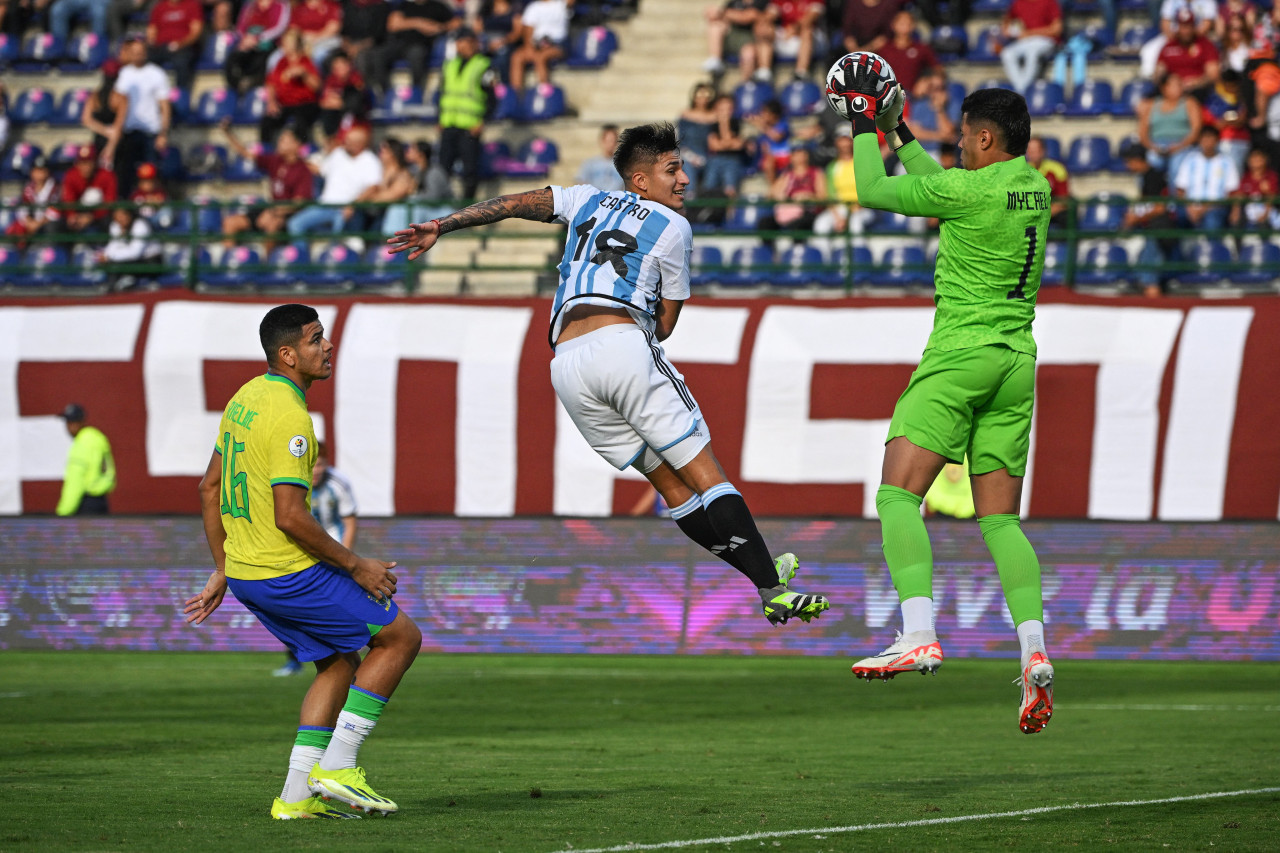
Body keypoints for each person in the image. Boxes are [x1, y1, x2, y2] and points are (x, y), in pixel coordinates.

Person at [388, 122, 831, 628]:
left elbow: (511, 202)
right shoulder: (674, 227)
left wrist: (441, 225)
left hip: (567, 365)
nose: (684, 179)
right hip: (622, 344)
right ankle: (772, 587)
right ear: (641, 181)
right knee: (707, 476)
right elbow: (663, 326)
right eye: (673, 169)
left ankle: (765, 577)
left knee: (671, 488)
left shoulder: (584, 199)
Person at [834, 57, 1054, 733]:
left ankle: (919, 631)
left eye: (963, 136)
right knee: (1000, 521)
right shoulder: (1034, 187)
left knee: (897, 493)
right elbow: (947, 189)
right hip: (1016, 364)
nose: (957, 144)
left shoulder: (972, 190)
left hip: (960, 355)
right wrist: (903, 133)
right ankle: (1034, 651)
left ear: (986, 140)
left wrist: (864, 122)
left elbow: (869, 189)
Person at [184, 303, 422, 821]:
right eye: (316, 339)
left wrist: (224, 566)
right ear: (288, 353)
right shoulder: (292, 416)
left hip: (249, 574)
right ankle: (338, 765)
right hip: (286, 571)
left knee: (337, 662)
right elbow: (291, 516)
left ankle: (294, 798)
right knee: (401, 638)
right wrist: (357, 565)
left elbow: (208, 488)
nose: (328, 345)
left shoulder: (245, 397)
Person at [276, 440, 361, 676]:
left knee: (340, 607)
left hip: (332, 553)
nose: (317, 470)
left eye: (321, 464)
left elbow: (349, 521)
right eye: (312, 465)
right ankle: (295, 660)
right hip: (301, 554)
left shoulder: (339, 483)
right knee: (292, 610)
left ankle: (347, 659)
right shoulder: (290, 482)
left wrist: (346, 558)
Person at [221, 122, 315, 249]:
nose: (279, 142)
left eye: (284, 140)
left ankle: (267, 265)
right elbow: (246, 153)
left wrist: (274, 212)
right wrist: (228, 133)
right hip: (271, 209)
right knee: (230, 222)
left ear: (296, 145)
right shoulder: (275, 160)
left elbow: (298, 203)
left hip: (289, 215)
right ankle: (230, 264)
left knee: (271, 226)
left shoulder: (303, 170)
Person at [287, 125, 383, 243]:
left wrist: (353, 205)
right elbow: (321, 170)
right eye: (346, 140)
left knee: (337, 235)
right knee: (295, 224)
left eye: (350, 141)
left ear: (361, 144)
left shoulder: (371, 161)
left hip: (347, 209)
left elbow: (373, 187)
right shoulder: (338, 153)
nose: (346, 143)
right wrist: (299, 160)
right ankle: (300, 258)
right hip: (324, 206)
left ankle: (333, 258)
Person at [437, 27, 495, 201]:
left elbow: (492, 98)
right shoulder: (450, 65)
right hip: (448, 123)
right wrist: (439, 118)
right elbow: (442, 94)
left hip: (470, 126)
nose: (461, 46)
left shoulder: (484, 65)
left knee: (470, 171)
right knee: (442, 168)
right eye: (459, 42)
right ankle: (442, 208)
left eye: (465, 41)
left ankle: (467, 209)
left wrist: (483, 121)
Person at [1119, 140, 1181, 297]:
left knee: (1150, 261)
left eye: (1129, 161)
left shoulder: (1154, 177)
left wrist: (1137, 219)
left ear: (1138, 160)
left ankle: (1152, 292)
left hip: (1162, 227)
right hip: (1153, 226)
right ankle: (1146, 286)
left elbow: (1161, 207)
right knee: (1144, 257)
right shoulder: (1145, 177)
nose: (1127, 166)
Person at [115, 37, 172, 199]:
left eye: (140, 52)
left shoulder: (156, 74)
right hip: (128, 131)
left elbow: (165, 106)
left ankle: (154, 210)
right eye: (133, 52)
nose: (137, 55)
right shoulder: (123, 73)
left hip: (150, 132)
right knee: (126, 173)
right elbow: (116, 102)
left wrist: (163, 133)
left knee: (152, 173)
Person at [1174, 124, 1240, 230]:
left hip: (1216, 207)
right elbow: (1181, 189)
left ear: (1217, 141)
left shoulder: (1227, 162)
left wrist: (1235, 211)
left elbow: (1233, 191)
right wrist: (1190, 208)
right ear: (1199, 141)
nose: (1208, 143)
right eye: (1204, 139)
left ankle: (1211, 246)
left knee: (1212, 222)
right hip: (1191, 206)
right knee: (1177, 219)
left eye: (1211, 138)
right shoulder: (1190, 160)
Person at [261, 29, 321, 146]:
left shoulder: (306, 61)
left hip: (305, 103)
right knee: (268, 120)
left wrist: (304, 74)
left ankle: (302, 149)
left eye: (287, 42)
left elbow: (317, 86)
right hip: (285, 104)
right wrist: (271, 101)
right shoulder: (281, 63)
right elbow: (271, 83)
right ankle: (267, 152)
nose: (284, 45)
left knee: (300, 120)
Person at [1137, 72, 1202, 180]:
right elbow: (1142, 132)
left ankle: (1174, 196)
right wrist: (1153, 147)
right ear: (1164, 88)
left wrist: (1180, 146)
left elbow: (1196, 129)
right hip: (1157, 145)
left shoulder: (1189, 103)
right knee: (1150, 163)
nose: (1180, 88)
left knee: (1176, 167)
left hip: (1183, 145)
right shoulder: (1151, 105)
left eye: (1180, 84)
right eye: (1176, 85)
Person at [56, 403, 116, 516]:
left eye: (73, 422)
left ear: (82, 422)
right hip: (101, 502)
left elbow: (76, 480)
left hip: (85, 505)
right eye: (67, 422)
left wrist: (63, 512)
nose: (69, 426)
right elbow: (109, 472)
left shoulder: (82, 443)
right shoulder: (97, 438)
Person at [226, 0, 291, 95]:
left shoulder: (281, 5)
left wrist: (259, 38)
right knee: (233, 57)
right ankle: (236, 86)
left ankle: (254, 83)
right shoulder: (250, 6)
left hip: (270, 43)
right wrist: (245, 39)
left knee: (263, 58)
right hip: (248, 42)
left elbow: (280, 27)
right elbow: (240, 26)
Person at [1156, 7, 1221, 99]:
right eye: (1183, 26)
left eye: (1189, 26)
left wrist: (1196, 82)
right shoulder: (1169, 46)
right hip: (1172, 90)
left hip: (1197, 90)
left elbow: (1213, 74)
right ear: (1178, 27)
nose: (1186, 31)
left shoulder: (1206, 45)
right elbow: (1159, 72)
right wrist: (1170, 83)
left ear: (1194, 26)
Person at [1000, 0, 1063, 94]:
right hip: (1026, 40)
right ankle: (1022, 91)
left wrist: (1030, 33)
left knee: (1032, 52)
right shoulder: (1019, 3)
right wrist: (1008, 29)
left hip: (1046, 40)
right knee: (1007, 53)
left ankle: (1021, 92)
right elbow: (1007, 21)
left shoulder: (1049, 2)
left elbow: (1057, 29)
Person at [509, 0, 569, 94]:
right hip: (537, 45)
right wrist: (529, 48)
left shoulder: (561, 3)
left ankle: (544, 94)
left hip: (558, 44)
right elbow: (528, 30)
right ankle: (516, 96)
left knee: (540, 57)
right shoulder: (533, 7)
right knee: (517, 57)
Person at [876, 9, 941, 96]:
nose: (905, 26)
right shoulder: (883, 49)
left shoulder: (921, 48)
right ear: (893, 25)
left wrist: (927, 81)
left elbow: (939, 69)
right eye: (901, 22)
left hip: (914, 97)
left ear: (913, 26)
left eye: (908, 22)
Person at [703, 0, 773, 80]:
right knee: (715, 26)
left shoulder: (761, 2)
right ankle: (715, 59)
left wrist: (724, 13)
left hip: (751, 38)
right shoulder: (733, 2)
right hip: (733, 35)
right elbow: (716, 15)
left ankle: (747, 85)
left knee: (748, 54)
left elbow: (751, 16)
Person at [146, 0, 203, 91]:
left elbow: (195, 32)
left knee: (181, 63)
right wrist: (152, 41)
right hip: (161, 46)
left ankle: (180, 96)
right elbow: (152, 31)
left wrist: (179, 44)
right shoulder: (159, 7)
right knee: (146, 60)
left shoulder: (192, 5)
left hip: (184, 47)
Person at [81, 58, 126, 168]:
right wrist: (110, 147)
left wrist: (105, 131)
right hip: (116, 143)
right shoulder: (121, 98)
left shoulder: (94, 96)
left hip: (100, 140)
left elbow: (86, 120)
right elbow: (118, 128)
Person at [1024, 136, 1069, 225]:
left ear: (1043, 151)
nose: (1033, 153)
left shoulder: (1057, 169)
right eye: (1030, 150)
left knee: (1066, 217)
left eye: (1036, 150)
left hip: (1053, 212)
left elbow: (1063, 200)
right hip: (1031, 212)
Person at [575, 125, 624, 192]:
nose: (611, 144)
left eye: (614, 141)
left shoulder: (623, 165)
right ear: (602, 141)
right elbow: (580, 182)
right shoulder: (590, 163)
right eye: (609, 141)